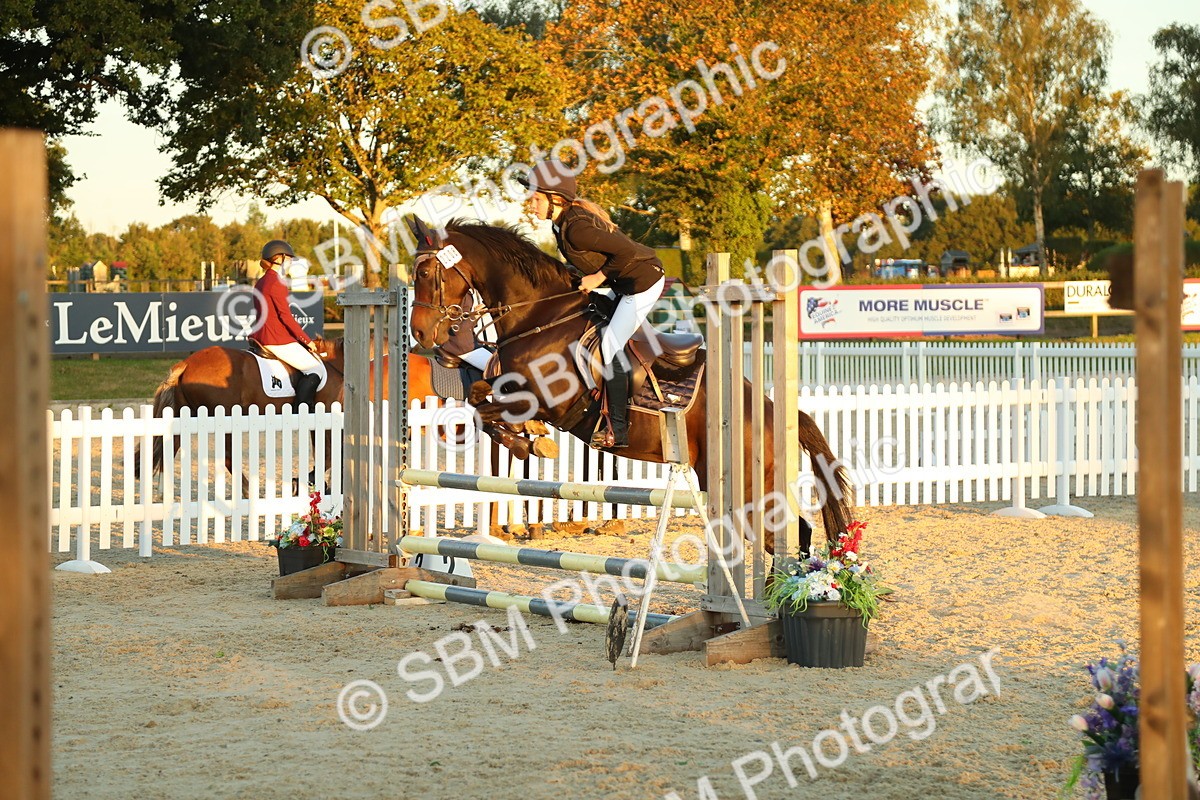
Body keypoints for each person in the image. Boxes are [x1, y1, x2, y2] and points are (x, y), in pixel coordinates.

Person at [520, 160, 665, 448]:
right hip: (621, 284)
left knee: (610, 345)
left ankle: (618, 429)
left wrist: (598, 278)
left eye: (536, 199)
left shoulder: (577, 228)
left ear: (555, 199)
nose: (531, 205)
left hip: (642, 283)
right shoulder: (562, 224)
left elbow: (626, 252)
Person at [250, 240, 327, 413]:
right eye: (289, 258)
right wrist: (307, 341)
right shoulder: (277, 282)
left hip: (261, 335)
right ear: (279, 258)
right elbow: (285, 317)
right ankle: (300, 411)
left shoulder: (261, 282)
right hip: (276, 338)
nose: (291, 262)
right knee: (315, 369)